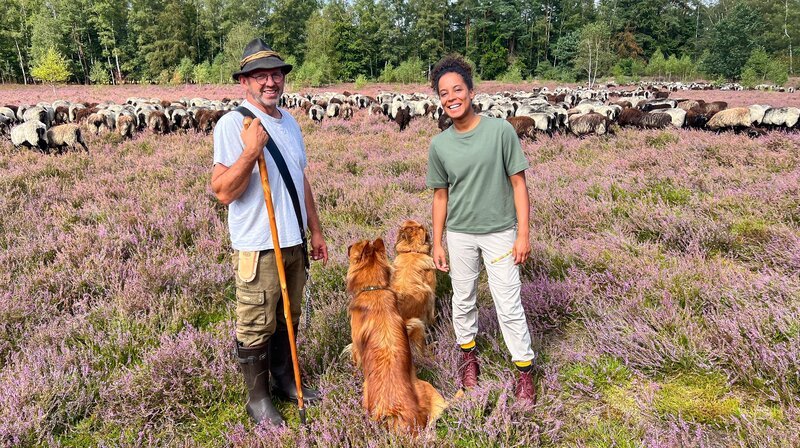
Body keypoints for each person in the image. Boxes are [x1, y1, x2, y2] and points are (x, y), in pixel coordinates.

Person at [211, 37, 328, 426]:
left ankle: (284, 379)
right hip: (259, 245)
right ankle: (258, 400)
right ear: (244, 82)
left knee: (287, 316)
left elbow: (301, 178)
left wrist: (315, 229)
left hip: (293, 239)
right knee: (256, 321)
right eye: (259, 76)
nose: (270, 82)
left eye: (275, 74)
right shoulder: (234, 124)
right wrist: (250, 152)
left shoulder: (289, 121)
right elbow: (223, 191)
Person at [425, 54, 536, 402]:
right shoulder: (439, 145)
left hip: (500, 232)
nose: (451, 97)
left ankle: (524, 370)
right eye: (444, 93)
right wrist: (438, 241)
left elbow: (519, 184)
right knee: (463, 298)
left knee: (508, 301)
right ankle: (468, 355)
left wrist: (523, 234)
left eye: (457, 89)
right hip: (459, 235)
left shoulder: (500, 131)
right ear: (439, 100)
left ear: (471, 92)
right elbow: (440, 197)